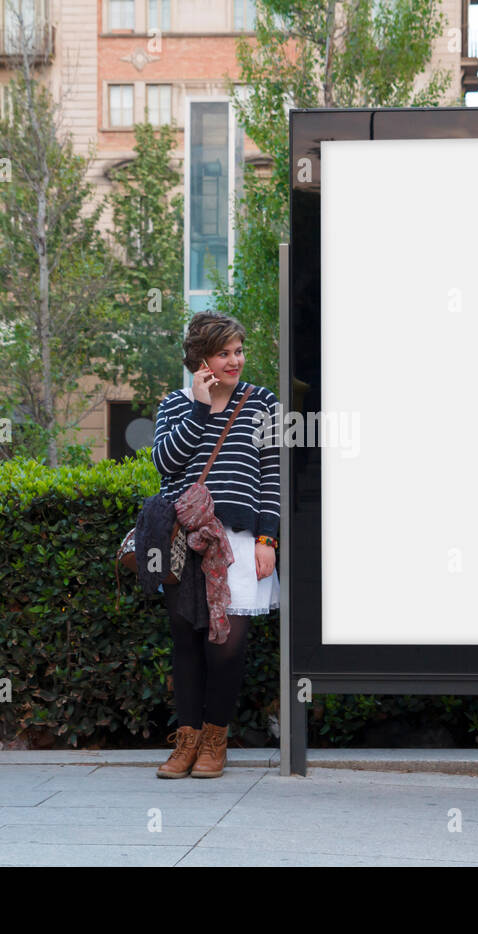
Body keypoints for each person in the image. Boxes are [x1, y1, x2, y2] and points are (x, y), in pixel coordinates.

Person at [149, 310, 280, 779]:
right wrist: (200, 409)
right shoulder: (174, 404)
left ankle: (215, 742)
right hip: (186, 544)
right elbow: (166, 463)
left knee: (225, 647)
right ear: (200, 359)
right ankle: (185, 744)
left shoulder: (263, 403)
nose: (234, 360)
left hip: (240, 543)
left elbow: (272, 476)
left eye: (239, 351)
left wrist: (268, 538)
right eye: (223, 352)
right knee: (186, 644)